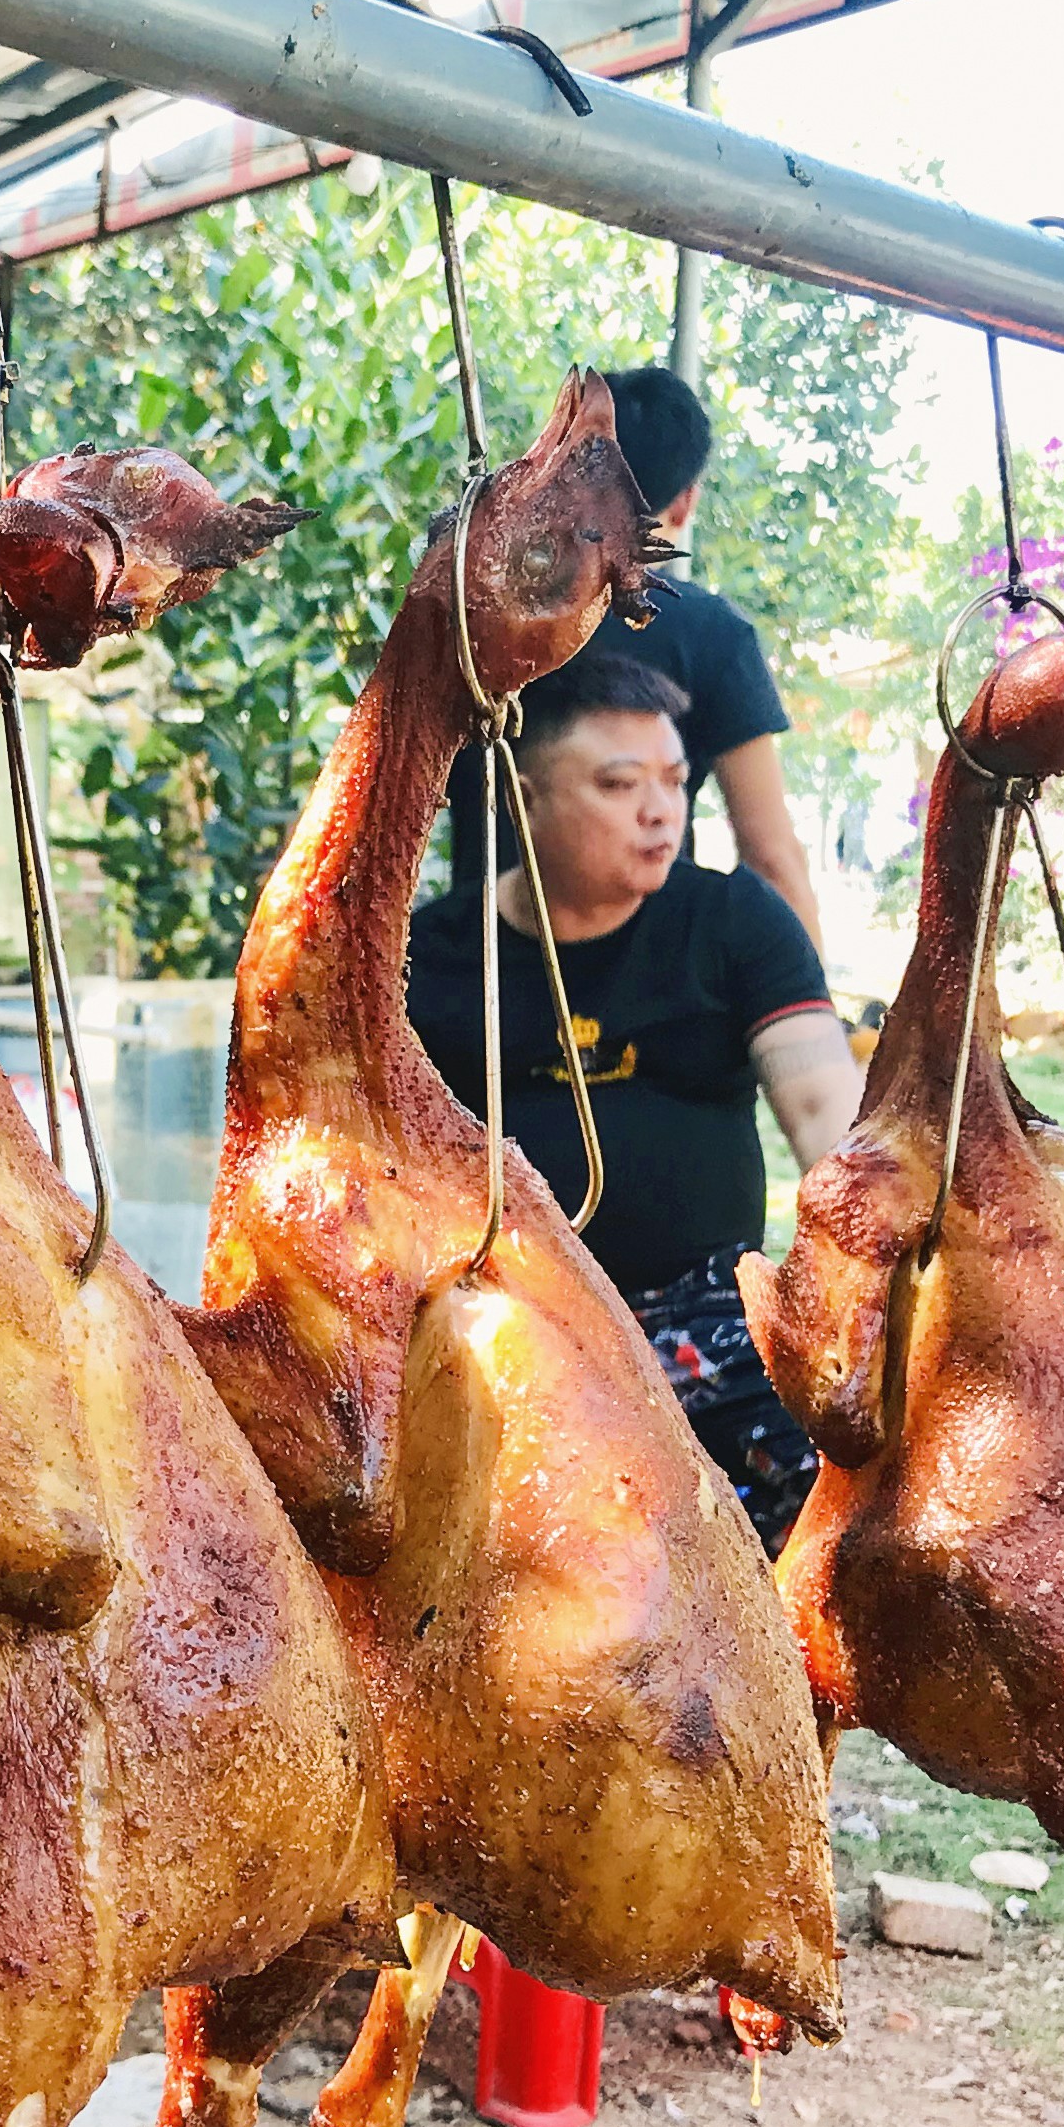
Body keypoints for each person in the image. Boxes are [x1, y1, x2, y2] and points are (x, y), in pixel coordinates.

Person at [404, 655, 864, 1547]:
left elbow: (824, 1112)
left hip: (711, 1314)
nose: (661, 811)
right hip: (506, 1318)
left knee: (829, 1499)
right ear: (523, 798)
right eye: (620, 784)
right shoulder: (436, 954)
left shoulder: (734, 924)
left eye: (674, 781)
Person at [550, 364, 824, 950]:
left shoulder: (479, 623)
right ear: (685, 502)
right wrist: (822, 1021)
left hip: (479, 973)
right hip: (658, 991)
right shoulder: (713, 636)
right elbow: (771, 856)